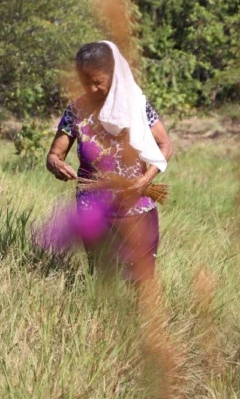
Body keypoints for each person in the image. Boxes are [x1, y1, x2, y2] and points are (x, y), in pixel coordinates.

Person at [44, 41, 174, 283]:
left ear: (114, 76)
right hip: (92, 210)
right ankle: (102, 322)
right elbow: (55, 154)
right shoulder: (76, 111)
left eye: (98, 82)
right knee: (103, 280)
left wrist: (145, 179)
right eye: (85, 82)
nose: (92, 89)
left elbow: (166, 145)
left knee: (141, 280)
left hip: (136, 208)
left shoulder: (136, 105)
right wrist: (55, 164)